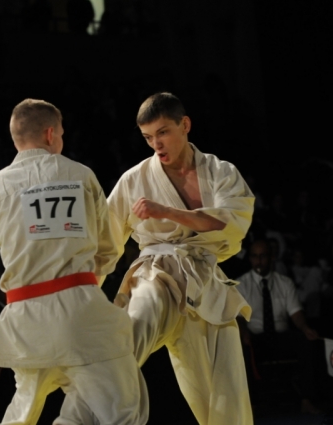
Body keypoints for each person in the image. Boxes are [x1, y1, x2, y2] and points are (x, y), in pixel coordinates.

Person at [0, 99, 148, 425]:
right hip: (80, 314)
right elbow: (107, 249)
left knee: (22, 413)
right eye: (60, 133)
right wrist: (81, 284)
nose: (61, 139)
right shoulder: (79, 174)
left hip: (25, 320)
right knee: (122, 411)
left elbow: (7, 243)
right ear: (49, 134)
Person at [107, 92, 255, 425]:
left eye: (163, 132)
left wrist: (166, 211)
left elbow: (230, 223)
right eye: (148, 137)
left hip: (205, 282)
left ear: (185, 125)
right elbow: (105, 242)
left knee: (227, 394)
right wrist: (81, 291)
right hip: (156, 273)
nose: (156, 144)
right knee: (124, 343)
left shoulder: (220, 172)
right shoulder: (134, 179)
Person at [235, 240, 322, 414]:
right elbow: (238, 316)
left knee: (305, 340)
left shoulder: (285, 283)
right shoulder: (241, 284)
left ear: (271, 257)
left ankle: (306, 399)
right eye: (254, 256)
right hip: (255, 336)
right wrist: (243, 332)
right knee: (241, 347)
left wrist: (305, 328)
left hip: (280, 335)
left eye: (263, 256)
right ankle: (249, 404)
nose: (259, 261)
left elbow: (296, 313)